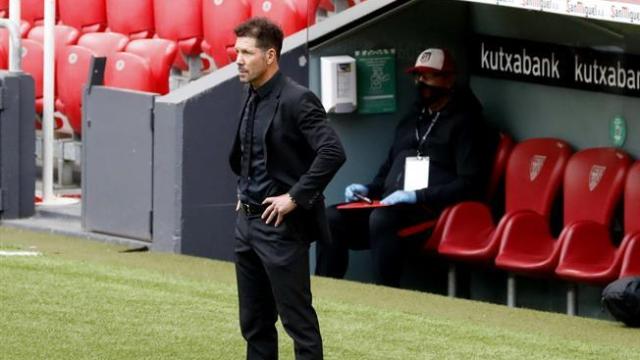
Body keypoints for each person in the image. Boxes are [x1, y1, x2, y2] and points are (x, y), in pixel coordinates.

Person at [315, 48, 496, 287]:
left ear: (449, 79)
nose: (421, 82)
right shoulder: (412, 120)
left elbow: (470, 184)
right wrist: (368, 189)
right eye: (418, 75)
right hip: (391, 205)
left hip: (432, 211)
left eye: (429, 75)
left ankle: (386, 297)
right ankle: (327, 293)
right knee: (331, 217)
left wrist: (416, 196)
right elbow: (388, 169)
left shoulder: (466, 124)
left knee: (381, 219)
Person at [228, 18, 346, 360]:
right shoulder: (251, 95)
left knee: (298, 324)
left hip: (280, 228)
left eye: (246, 52)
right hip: (246, 227)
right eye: (236, 51)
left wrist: (294, 197)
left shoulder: (298, 99)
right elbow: (249, 153)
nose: (238, 59)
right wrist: (243, 190)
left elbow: (333, 152)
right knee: (254, 324)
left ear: (270, 56)